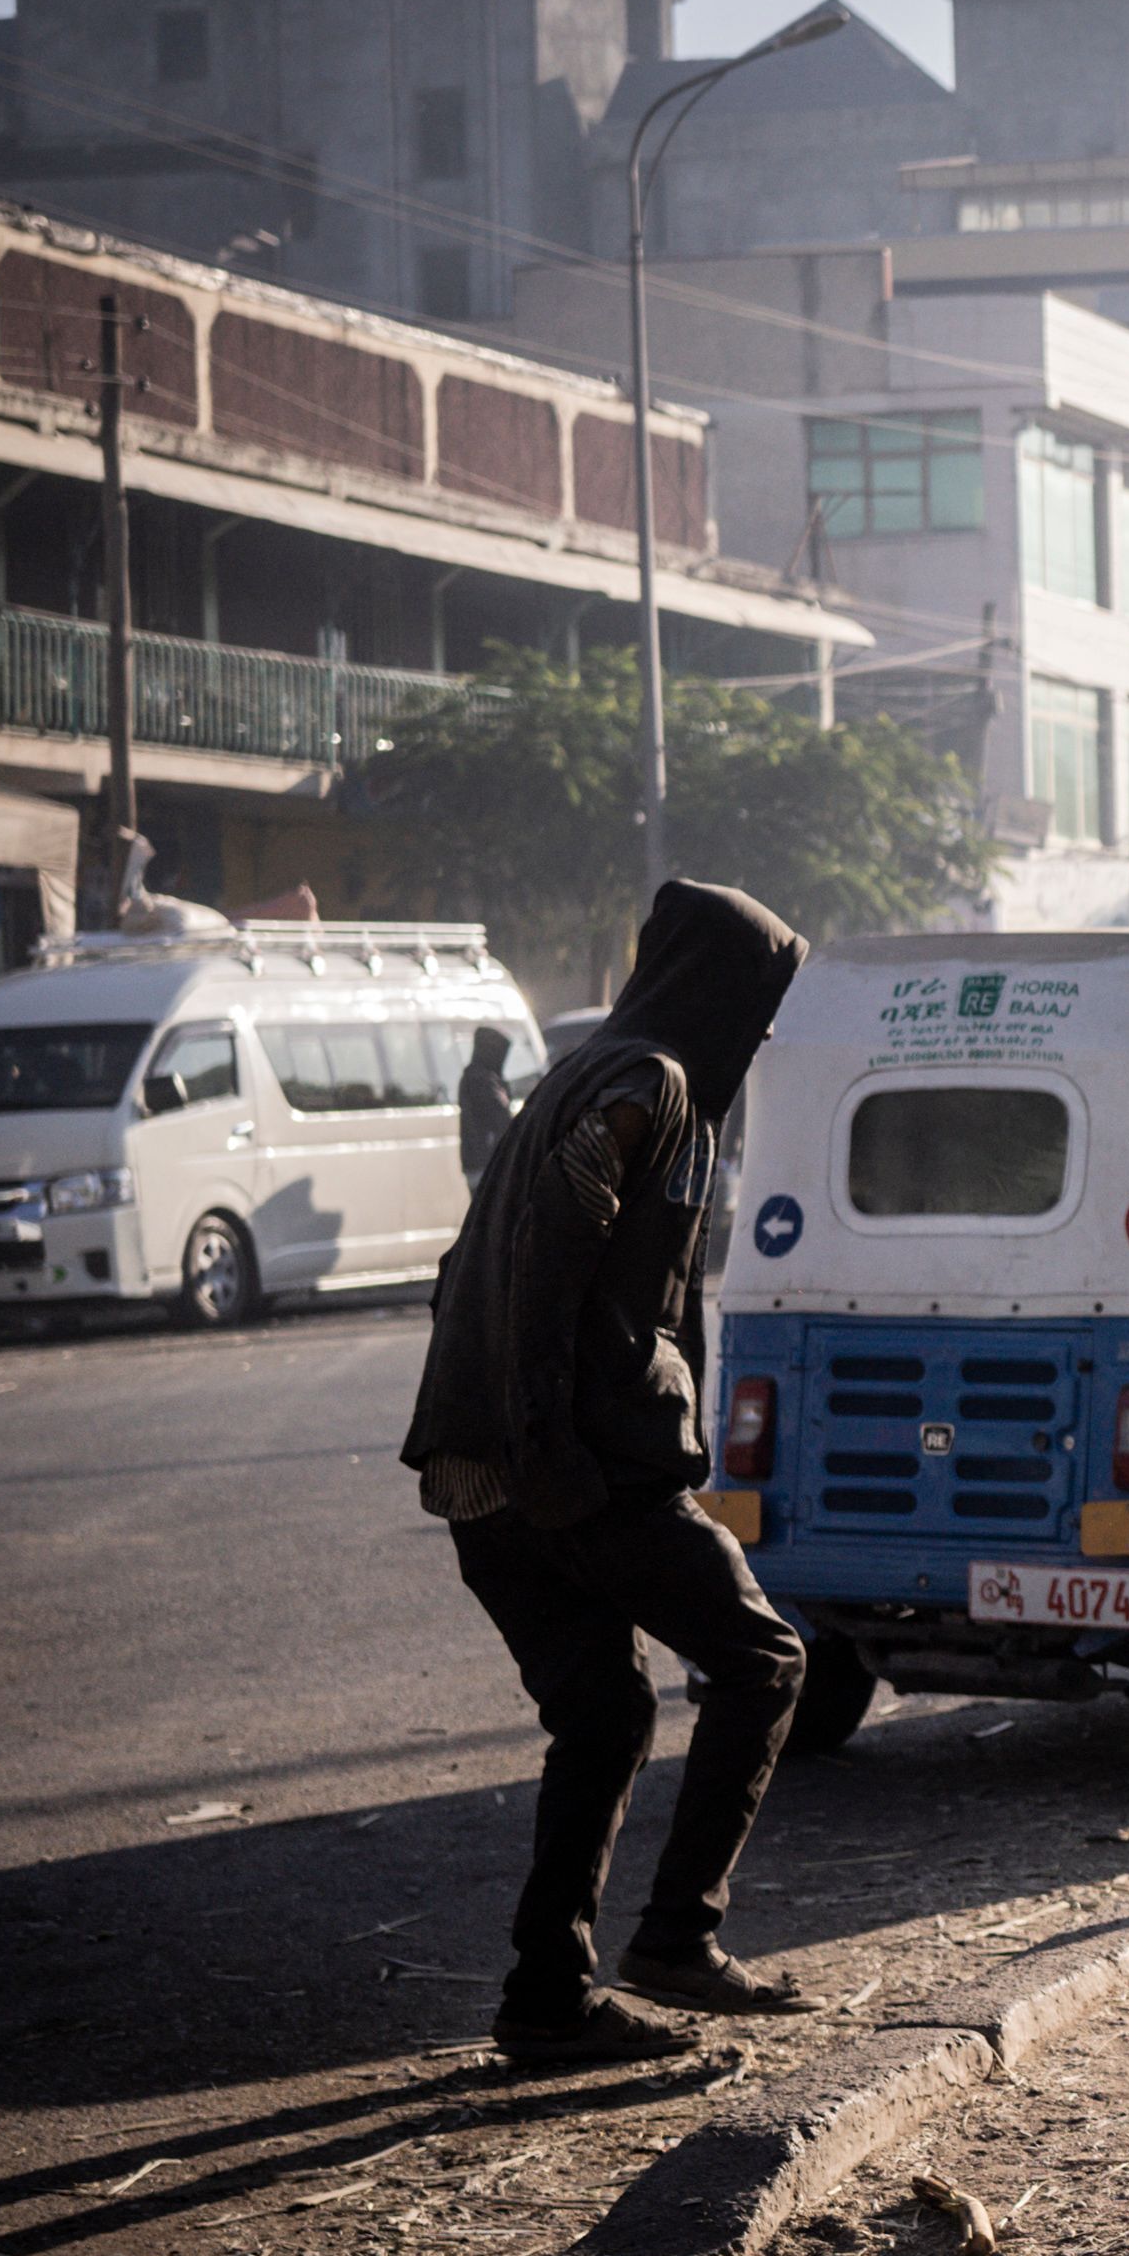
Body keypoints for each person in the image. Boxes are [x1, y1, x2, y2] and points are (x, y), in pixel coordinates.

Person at [401, 882, 815, 2072]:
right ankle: (677, 1940)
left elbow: (473, 1264)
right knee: (763, 1658)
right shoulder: (652, 1088)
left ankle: (546, 1996)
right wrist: (557, 1461)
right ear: (717, 991)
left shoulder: (584, 1072)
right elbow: (544, 1263)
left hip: (485, 1470)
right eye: (760, 999)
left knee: (604, 1714)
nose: (765, 1030)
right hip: (563, 1470)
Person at [455, 1024, 519, 1190]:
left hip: (478, 1162)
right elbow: (500, 1118)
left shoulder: (473, 1076)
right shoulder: (482, 1080)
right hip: (487, 1162)